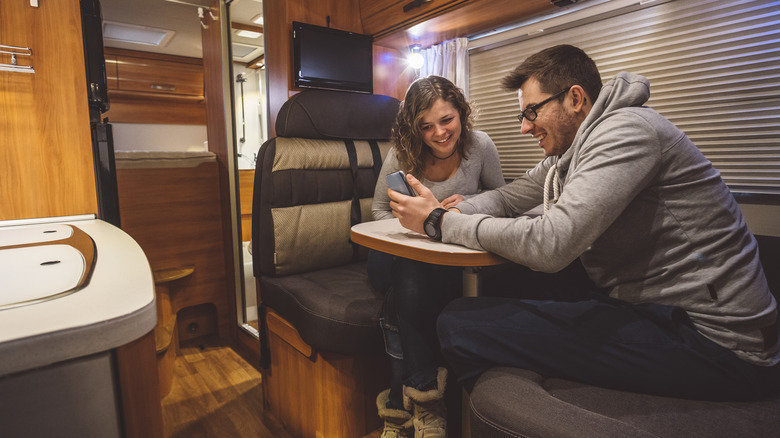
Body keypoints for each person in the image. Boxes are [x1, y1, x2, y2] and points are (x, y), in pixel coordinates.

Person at [388, 45, 779, 402]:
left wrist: (439, 223)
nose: (525, 127)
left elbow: (551, 242)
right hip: (648, 307)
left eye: (531, 111)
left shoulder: (626, 132)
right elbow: (511, 195)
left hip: (713, 342)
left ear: (575, 98)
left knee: (460, 324)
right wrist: (450, 211)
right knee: (471, 288)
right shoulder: (573, 152)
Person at [370, 75, 505, 437]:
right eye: (426, 126)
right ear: (414, 129)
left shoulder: (480, 147)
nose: (439, 133)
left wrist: (471, 206)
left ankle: (402, 410)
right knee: (410, 275)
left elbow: (504, 200)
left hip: (448, 260)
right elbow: (378, 211)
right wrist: (414, 228)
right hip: (395, 255)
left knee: (403, 297)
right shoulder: (402, 152)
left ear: (461, 113)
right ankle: (429, 410)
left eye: (447, 120)